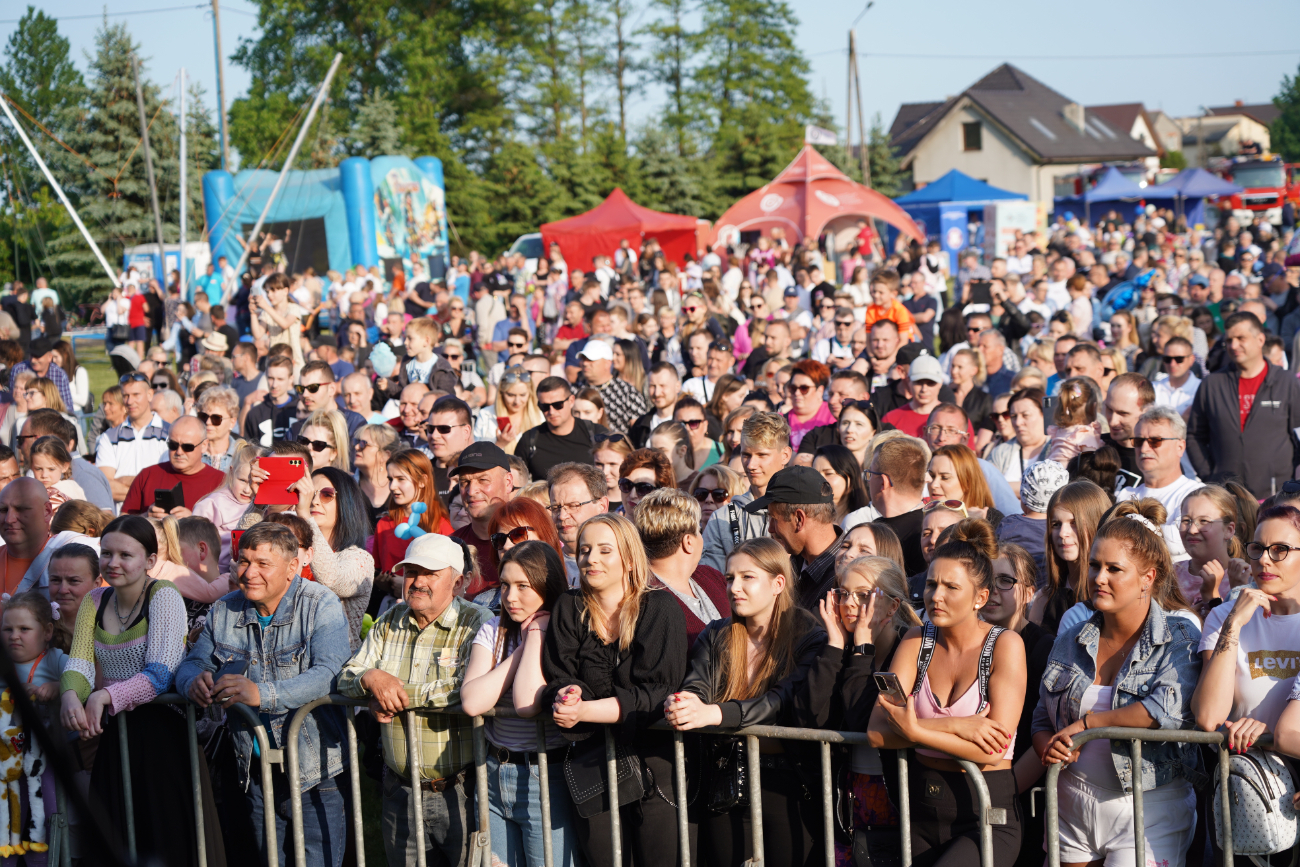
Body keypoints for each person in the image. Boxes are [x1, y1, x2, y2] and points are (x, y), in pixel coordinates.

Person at [1034, 500, 1202, 867]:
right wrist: (1049, 747)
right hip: (1070, 800)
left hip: (1148, 807)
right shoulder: (1071, 635)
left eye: (1114, 568)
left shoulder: (1181, 636)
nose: (1099, 577)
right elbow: (1042, 720)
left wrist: (1088, 726)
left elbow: (1164, 712)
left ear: (1148, 577)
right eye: (1094, 566)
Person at [177, 522, 352, 867]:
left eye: (262, 564)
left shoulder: (321, 603)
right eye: (243, 561)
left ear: (292, 568)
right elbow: (192, 663)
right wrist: (193, 681)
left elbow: (330, 673)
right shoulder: (224, 608)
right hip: (255, 771)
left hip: (316, 771)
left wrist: (262, 693)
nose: (249, 572)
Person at [59, 514, 226, 867]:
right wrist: (71, 694)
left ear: (150, 561)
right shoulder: (94, 601)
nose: (113, 563)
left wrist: (107, 695)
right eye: (106, 554)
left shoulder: (163, 595)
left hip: (163, 736)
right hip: (117, 737)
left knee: (167, 839)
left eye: (125, 555)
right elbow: (79, 663)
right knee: (116, 838)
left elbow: (161, 673)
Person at [665, 536, 827, 867]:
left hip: (790, 785)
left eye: (747, 577)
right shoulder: (717, 633)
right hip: (727, 777)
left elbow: (780, 700)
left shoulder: (808, 633)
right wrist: (684, 703)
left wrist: (712, 713)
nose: (734, 587)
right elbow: (697, 684)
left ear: (778, 583)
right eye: (729, 578)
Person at [868, 535, 1026, 867]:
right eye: (931, 584)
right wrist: (956, 726)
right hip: (921, 813)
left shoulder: (1005, 644)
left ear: (980, 597)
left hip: (983, 811)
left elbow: (994, 748)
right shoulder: (915, 640)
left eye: (951, 587)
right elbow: (877, 730)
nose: (936, 596)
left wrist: (915, 732)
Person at [540, 514, 687, 867]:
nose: (591, 559)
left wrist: (587, 710)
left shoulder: (660, 607)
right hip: (594, 763)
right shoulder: (568, 607)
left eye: (606, 550)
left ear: (629, 558)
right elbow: (558, 676)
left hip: (658, 765)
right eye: (585, 550)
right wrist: (565, 697)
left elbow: (659, 692)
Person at [337, 533, 492, 867]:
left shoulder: (477, 622)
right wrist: (371, 679)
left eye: (430, 573)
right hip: (400, 791)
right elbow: (346, 675)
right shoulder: (388, 622)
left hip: (461, 792)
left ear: (458, 581)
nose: (418, 582)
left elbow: (467, 689)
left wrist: (396, 694)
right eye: (411, 572)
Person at [458, 541, 579, 867]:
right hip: (494, 773)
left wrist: (538, 634)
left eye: (523, 586)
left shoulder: (563, 633)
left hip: (545, 777)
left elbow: (527, 702)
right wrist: (520, 649)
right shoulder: (492, 630)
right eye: (506, 585)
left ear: (547, 585)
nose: (510, 597)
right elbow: (472, 701)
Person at [797, 552, 919, 866]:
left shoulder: (909, 650)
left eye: (864, 596)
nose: (850, 603)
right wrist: (837, 646)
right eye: (843, 593)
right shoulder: (838, 646)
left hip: (897, 796)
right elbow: (810, 716)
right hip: (847, 799)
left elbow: (865, 719)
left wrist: (863, 650)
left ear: (892, 606)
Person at [1188, 312, 1300, 498]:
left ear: (1260, 339)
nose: (1233, 346)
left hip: (1277, 498)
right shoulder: (1212, 384)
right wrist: (1211, 476)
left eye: (1241, 338)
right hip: (1227, 498)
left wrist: (1292, 483)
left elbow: (1299, 436)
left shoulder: (1286, 382)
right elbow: (1194, 436)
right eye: (1229, 340)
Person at [288, 466, 376, 650]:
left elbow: (331, 578)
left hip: (336, 666)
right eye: (310, 494)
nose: (314, 502)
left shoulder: (361, 559)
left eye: (326, 494)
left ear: (347, 503)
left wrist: (304, 516)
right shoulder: (291, 550)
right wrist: (258, 502)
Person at [634, 487, 729, 647]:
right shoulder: (646, 602)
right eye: (699, 530)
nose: (701, 536)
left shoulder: (712, 577)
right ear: (688, 542)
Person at [700, 412, 793, 572]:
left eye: (761, 455)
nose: (751, 464)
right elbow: (711, 582)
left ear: (785, 455)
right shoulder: (722, 518)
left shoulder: (804, 511)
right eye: (746, 455)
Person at [752, 465, 841, 613]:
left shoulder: (844, 580)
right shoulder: (793, 564)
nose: (770, 529)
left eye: (774, 519)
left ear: (799, 519)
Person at [1029, 480, 1112, 632]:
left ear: (1097, 524)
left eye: (1074, 523)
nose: (1062, 533)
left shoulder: (1112, 594)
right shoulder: (1044, 598)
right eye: (1056, 524)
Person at [121, 416, 226, 518]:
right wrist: (146, 517)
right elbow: (121, 522)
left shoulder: (221, 482)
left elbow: (230, 529)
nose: (179, 452)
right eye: (173, 445)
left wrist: (194, 521)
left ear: (204, 445)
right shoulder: (147, 475)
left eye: (187, 447)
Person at [373, 448, 453, 577]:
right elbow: (377, 570)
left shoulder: (442, 525)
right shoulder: (384, 523)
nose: (392, 486)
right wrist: (384, 583)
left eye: (400, 479)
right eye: (390, 479)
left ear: (422, 481)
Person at [95, 372, 171, 507]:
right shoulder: (108, 437)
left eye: (136, 395)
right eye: (126, 396)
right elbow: (104, 486)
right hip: (121, 521)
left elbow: (168, 483)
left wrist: (124, 480)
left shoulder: (169, 433)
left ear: (149, 395)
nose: (130, 401)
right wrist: (146, 486)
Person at [514, 377, 609, 482]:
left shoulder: (596, 433)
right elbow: (515, 482)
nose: (552, 411)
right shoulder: (529, 440)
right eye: (545, 406)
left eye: (557, 405)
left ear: (571, 401)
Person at [866, 436, 929, 576]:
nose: (868, 482)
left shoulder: (925, 532)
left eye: (870, 474)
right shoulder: (930, 525)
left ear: (883, 482)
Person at [997, 459, 1069, 580]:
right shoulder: (1064, 530)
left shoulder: (1008, 524)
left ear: (1024, 497)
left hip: (1013, 589)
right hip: (1051, 590)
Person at [575, 340, 648, 435]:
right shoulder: (575, 390)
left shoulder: (627, 392)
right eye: (583, 359)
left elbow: (639, 432)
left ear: (607, 363)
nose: (585, 363)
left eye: (590, 359)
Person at [881, 355, 944, 439]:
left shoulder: (956, 418)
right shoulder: (891, 419)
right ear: (909, 381)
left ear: (941, 383)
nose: (924, 389)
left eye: (930, 383)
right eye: (918, 382)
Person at [243, 355, 299, 447]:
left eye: (280, 379)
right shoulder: (255, 414)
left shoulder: (300, 410)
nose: (274, 385)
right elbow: (248, 450)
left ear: (291, 379)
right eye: (270, 378)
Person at [814, 443, 871, 525]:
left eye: (829, 473)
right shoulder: (806, 520)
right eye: (815, 474)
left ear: (850, 477)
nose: (819, 480)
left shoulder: (868, 520)